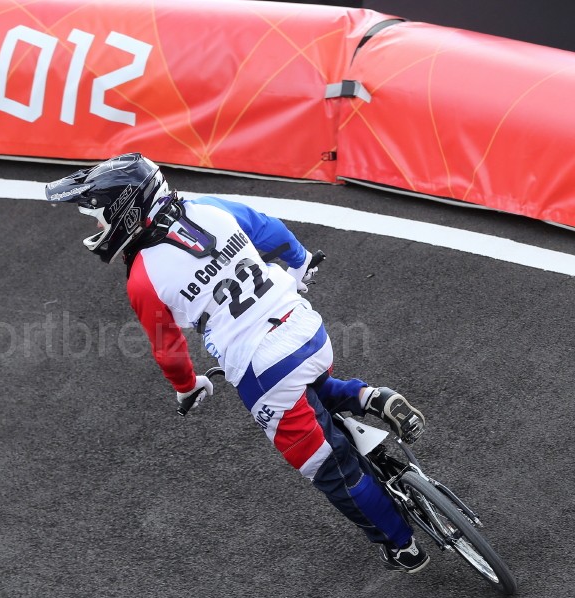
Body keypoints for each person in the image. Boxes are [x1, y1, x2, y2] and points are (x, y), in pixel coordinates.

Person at [44, 152, 430, 573]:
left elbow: (168, 350)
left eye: (97, 218)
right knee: (311, 386)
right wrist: (299, 264)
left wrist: (188, 387)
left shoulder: (142, 277)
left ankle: (402, 545)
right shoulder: (209, 206)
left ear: (123, 212)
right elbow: (269, 230)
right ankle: (373, 398)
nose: (96, 228)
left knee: (331, 469)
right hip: (306, 326)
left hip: (261, 366)